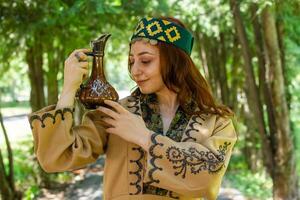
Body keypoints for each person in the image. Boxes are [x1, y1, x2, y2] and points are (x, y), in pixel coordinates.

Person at [28, 16, 237, 200]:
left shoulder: (217, 122)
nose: (135, 71)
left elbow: (209, 177)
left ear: (176, 62)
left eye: (145, 60)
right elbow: (55, 158)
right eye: (131, 61)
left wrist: (145, 138)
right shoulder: (116, 113)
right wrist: (68, 90)